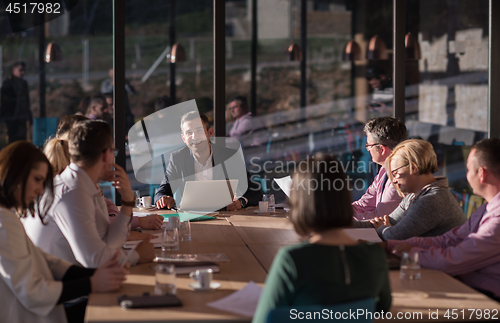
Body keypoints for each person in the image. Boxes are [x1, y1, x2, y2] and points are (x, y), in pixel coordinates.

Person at [252, 153, 391, 323]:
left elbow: (263, 319)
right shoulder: (374, 255)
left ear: (300, 203)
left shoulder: (292, 260)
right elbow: (383, 306)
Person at [0, 141, 127, 323]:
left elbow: (47, 262)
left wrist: (95, 274)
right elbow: (31, 292)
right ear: (16, 173)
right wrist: (91, 282)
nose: (39, 190)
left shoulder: (7, 217)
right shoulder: (4, 223)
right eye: (37, 179)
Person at [23, 120, 155, 267]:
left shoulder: (79, 184)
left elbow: (108, 242)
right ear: (106, 154)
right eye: (113, 151)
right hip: (63, 284)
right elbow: (94, 260)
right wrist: (136, 256)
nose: (114, 157)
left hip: (72, 279)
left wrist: (127, 201)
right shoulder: (72, 192)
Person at [389, 138, 500, 301]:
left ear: (482, 174)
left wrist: (411, 253)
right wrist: (392, 245)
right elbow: (449, 240)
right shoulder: (487, 208)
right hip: (466, 288)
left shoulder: (497, 217)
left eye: (468, 169)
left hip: (486, 301)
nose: (466, 175)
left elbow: (454, 259)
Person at [50, 116, 163, 230]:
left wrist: (119, 211)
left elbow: (105, 218)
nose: (113, 159)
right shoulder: (72, 189)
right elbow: (101, 239)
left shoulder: (78, 180)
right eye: (113, 151)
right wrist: (131, 210)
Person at [354, 139, 466, 240]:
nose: (394, 181)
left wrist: (383, 229)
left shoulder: (431, 199)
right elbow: (388, 222)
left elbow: (395, 236)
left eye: (396, 173)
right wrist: (342, 223)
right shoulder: (413, 196)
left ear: (413, 168)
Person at [154, 111, 262, 211]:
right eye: (189, 133)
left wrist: (241, 202)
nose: (194, 136)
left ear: (210, 132)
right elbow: (162, 192)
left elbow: (255, 191)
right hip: (191, 218)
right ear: (183, 138)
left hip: (226, 215)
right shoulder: (177, 158)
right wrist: (164, 199)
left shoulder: (230, 157)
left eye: (199, 130)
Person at [352, 117, 407, 220]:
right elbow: (364, 205)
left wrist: (341, 219)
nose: (367, 149)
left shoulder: (400, 177)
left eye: (368, 145)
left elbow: (382, 218)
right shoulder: (385, 169)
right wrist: (338, 212)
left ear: (382, 149)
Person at [0, 61, 32, 143]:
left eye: (24, 70)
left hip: (22, 117)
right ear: (14, 70)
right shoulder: (8, 84)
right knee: (12, 140)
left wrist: (28, 114)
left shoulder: (23, 83)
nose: (23, 72)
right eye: (20, 70)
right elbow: (5, 102)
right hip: (12, 118)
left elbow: (26, 101)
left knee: (22, 140)